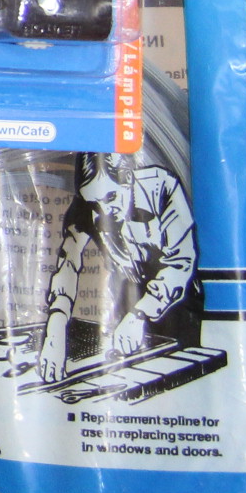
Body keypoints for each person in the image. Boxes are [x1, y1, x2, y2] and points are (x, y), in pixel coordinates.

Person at [37, 149, 199, 385]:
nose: (103, 211)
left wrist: (140, 314)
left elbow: (180, 262)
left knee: (180, 374)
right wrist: (56, 323)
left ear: (128, 179)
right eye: (94, 202)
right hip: (129, 295)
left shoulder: (162, 188)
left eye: (110, 197)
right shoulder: (85, 208)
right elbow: (68, 264)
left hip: (179, 299)